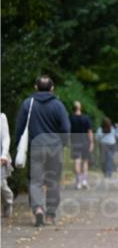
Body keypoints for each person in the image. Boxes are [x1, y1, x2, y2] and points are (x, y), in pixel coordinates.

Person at [13, 75, 71, 226]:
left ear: (35, 87)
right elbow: (66, 128)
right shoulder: (58, 105)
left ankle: (38, 208)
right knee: (53, 181)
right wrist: (62, 143)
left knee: (36, 181)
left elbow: (19, 128)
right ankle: (50, 215)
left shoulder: (28, 104)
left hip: (36, 146)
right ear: (52, 88)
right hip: (55, 147)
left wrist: (16, 146)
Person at [69, 101, 94, 189]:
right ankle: (84, 181)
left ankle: (78, 182)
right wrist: (91, 142)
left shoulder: (71, 118)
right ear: (80, 107)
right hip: (85, 142)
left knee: (77, 161)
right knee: (85, 162)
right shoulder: (86, 118)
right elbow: (89, 131)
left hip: (75, 142)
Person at [1, 111, 12, 218]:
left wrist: (4, 154)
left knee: (1, 184)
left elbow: (6, 137)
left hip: (0, 156)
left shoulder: (2, 117)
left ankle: (8, 200)